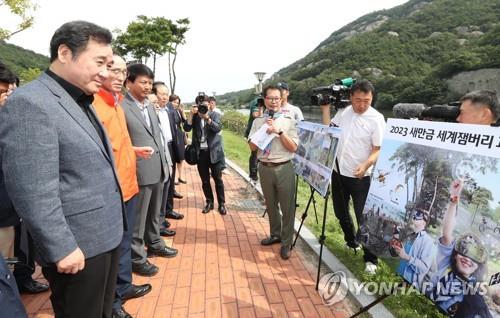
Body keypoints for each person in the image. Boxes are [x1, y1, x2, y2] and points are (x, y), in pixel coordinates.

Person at [0, 21, 126, 317]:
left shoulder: (81, 99)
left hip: (104, 235)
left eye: (109, 64)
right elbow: (32, 188)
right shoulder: (30, 103)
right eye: (99, 62)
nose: (106, 73)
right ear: (65, 53)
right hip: (76, 246)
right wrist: (60, 247)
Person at [93, 54, 153, 318]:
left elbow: (116, 143)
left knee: (125, 241)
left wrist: (133, 149)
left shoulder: (115, 104)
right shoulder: (94, 106)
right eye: (112, 70)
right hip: (111, 192)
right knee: (113, 248)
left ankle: (124, 286)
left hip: (129, 187)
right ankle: (114, 303)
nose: (118, 77)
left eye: (122, 72)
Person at [320, 79, 386, 274]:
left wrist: (366, 164)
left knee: (364, 218)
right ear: (351, 97)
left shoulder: (376, 119)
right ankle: (351, 242)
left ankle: (371, 259)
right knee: (341, 212)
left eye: (367, 100)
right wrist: (325, 110)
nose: (362, 105)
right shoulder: (344, 113)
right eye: (358, 100)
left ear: (372, 98)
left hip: (361, 178)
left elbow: (377, 149)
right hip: (339, 172)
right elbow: (329, 132)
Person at [122, 63, 177, 278]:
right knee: (138, 218)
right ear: (129, 82)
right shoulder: (122, 108)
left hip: (159, 168)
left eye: (150, 83)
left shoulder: (150, 107)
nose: (147, 87)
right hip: (140, 171)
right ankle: (137, 257)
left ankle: (155, 243)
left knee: (155, 213)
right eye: (143, 82)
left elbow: (159, 138)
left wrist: (166, 163)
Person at [248, 84, 299, 260]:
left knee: (287, 207)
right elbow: (252, 147)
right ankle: (275, 234)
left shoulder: (289, 120)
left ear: (282, 99)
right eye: (270, 98)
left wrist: (279, 132)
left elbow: (293, 147)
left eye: (277, 98)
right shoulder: (257, 121)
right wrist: (263, 131)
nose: (274, 101)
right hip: (265, 167)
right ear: (265, 99)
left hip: (284, 166)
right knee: (270, 205)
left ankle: (286, 243)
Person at [425, 179, 489, 316]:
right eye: (463, 250)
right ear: (454, 255)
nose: (467, 258)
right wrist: (454, 198)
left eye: (475, 256)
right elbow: (447, 234)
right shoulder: (445, 266)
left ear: (479, 265)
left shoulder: (475, 298)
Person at [184, 95, 227, 215]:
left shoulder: (215, 115)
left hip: (214, 152)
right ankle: (209, 202)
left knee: (218, 179)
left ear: (209, 104)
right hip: (201, 153)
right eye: (200, 105)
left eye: (205, 104)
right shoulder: (196, 117)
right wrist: (191, 115)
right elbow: (186, 128)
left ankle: (222, 204)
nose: (203, 107)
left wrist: (207, 118)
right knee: (205, 181)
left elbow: (218, 129)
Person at [153, 83, 184, 232]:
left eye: (167, 94)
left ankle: (167, 211)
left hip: (170, 147)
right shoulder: (153, 110)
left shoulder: (169, 110)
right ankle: (158, 219)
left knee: (170, 182)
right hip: (158, 149)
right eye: (161, 94)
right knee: (161, 183)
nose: (165, 97)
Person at [394, 209, 435, 288]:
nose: (416, 215)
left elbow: (424, 268)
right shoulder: (410, 235)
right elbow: (400, 252)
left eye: (420, 215)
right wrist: (396, 232)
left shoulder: (428, 242)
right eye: (416, 214)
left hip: (408, 285)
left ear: (424, 222)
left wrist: (406, 257)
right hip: (397, 274)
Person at [168, 95, 188, 184]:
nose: (175, 104)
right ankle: (174, 176)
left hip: (179, 134)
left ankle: (181, 175)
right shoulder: (168, 111)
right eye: (174, 102)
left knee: (181, 157)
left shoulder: (178, 111)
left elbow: (185, 122)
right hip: (172, 135)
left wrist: (182, 111)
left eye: (177, 102)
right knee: (174, 157)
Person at [244, 97, 264, 181]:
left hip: (263, 131)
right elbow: (255, 115)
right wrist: (261, 109)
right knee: (255, 153)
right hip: (255, 131)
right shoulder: (257, 101)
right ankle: (253, 174)